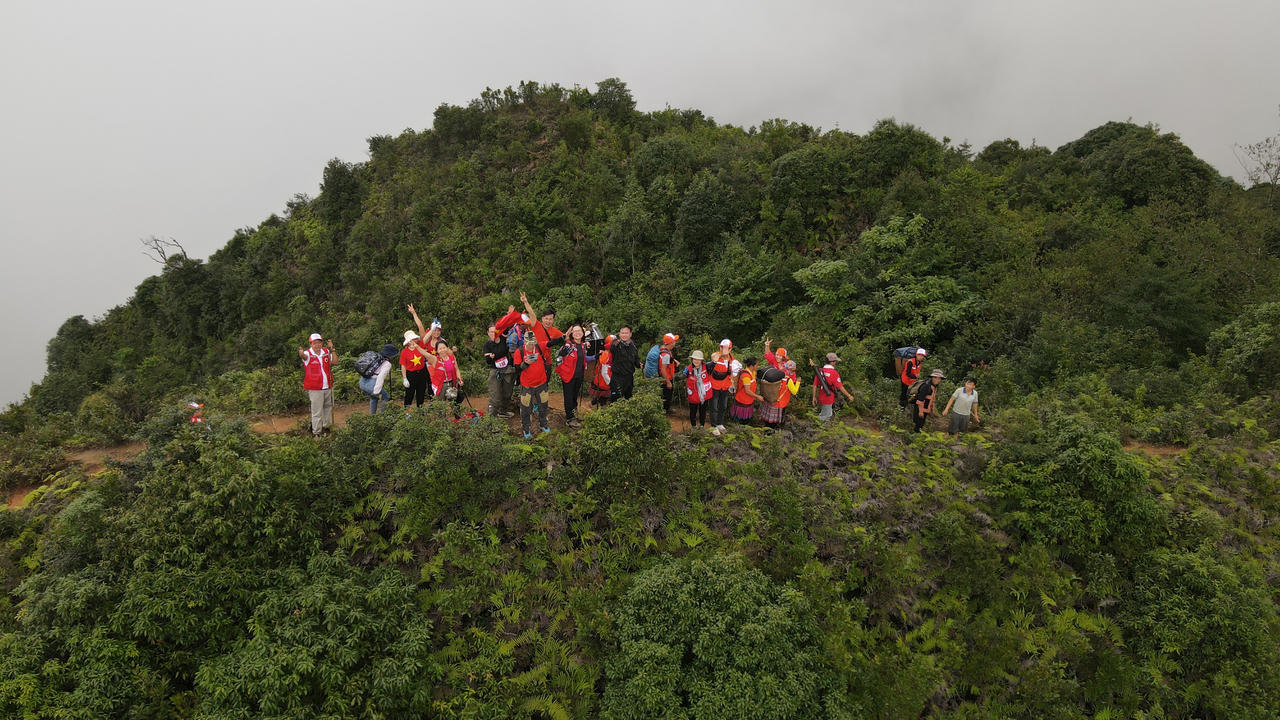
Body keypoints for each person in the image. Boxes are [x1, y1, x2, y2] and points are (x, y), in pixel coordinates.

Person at [513, 331, 551, 438]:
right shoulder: (519, 352)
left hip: (541, 384)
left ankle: (543, 425)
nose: (531, 345)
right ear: (524, 342)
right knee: (525, 408)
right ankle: (526, 429)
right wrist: (525, 363)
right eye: (529, 343)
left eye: (533, 342)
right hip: (527, 386)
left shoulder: (539, 347)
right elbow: (516, 368)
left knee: (543, 405)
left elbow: (550, 343)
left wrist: (563, 337)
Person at [298, 332, 335, 435]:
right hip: (315, 388)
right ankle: (316, 433)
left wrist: (332, 349)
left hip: (327, 385)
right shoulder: (308, 354)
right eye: (315, 343)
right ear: (311, 344)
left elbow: (335, 361)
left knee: (328, 408)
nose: (317, 345)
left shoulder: (325, 352)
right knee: (317, 411)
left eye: (319, 342)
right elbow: (304, 357)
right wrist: (301, 353)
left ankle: (327, 428)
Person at [556, 324, 590, 427]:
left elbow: (584, 358)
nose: (577, 333)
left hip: (578, 375)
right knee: (569, 397)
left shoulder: (583, 345)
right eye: (575, 331)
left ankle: (574, 414)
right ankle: (570, 418)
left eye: (579, 330)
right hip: (568, 376)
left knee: (574, 396)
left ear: (583, 333)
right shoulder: (569, 345)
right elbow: (560, 354)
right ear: (572, 334)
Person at [812, 352, 855, 421]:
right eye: (835, 361)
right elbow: (840, 387)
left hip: (821, 396)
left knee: (826, 413)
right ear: (832, 362)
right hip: (828, 397)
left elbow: (815, 385)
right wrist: (849, 396)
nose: (835, 363)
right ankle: (818, 429)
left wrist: (814, 397)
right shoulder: (834, 373)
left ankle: (820, 427)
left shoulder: (819, 371)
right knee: (826, 415)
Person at [483, 323, 513, 418]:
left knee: (507, 393)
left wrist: (509, 316)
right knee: (495, 395)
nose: (493, 333)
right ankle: (491, 418)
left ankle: (503, 411)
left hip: (507, 369)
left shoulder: (503, 339)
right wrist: (490, 357)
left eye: (495, 331)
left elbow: (507, 327)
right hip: (494, 370)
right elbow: (487, 361)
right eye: (491, 332)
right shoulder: (487, 345)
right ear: (487, 333)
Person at [358, 343, 398, 414]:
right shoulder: (387, 364)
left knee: (374, 398)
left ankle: (372, 415)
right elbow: (380, 377)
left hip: (362, 381)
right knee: (385, 396)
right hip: (371, 384)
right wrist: (376, 391)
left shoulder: (375, 357)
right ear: (391, 355)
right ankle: (381, 415)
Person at [399, 330, 434, 409]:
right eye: (413, 339)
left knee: (421, 392)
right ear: (408, 341)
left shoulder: (420, 345)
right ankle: (407, 411)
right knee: (409, 393)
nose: (415, 340)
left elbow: (426, 337)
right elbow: (403, 365)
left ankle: (420, 410)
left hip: (422, 372)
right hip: (411, 374)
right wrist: (404, 378)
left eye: (415, 338)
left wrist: (432, 329)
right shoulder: (404, 352)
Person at [761, 359, 801, 429]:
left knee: (767, 422)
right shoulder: (788, 380)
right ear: (792, 368)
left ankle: (765, 432)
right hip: (779, 403)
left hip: (770, 400)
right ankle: (771, 435)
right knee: (773, 423)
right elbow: (794, 392)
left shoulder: (777, 374)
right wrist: (798, 382)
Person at [707, 339, 735, 433]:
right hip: (715, 385)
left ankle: (720, 423)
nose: (723, 349)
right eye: (722, 347)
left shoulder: (732, 359)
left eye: (726, 348)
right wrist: (722, 354)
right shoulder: (716, 355)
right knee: (714, 407)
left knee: (723, 406)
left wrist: (732, 384)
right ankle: (713, 426)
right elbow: (713, 357)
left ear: (730, 349)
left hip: (725, 386)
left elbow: (732, 373)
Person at [610, 325, 641, 400]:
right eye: (622, 333)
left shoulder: (633, 346)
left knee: (628, 398)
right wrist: (616, 342)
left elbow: (636, 359)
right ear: (619, 334)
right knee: (616, 399)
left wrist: (639, 364)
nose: (624, 335)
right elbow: (612, 347)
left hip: (629, 377)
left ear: (630, 334)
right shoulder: (616, 345)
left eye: (626, 333)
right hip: (617, 378)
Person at [684, 349, 712, 428]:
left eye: (698, 359)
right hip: (693, 394)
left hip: (704, 395)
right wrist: (679, 377)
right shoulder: (688, 369)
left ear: (701, 360)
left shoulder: (706, 366)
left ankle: (702, 425)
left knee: (702, 411)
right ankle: (693, 426)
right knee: (693, 411)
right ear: (692, 359)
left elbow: (713, 363)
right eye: (694, 359)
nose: (696, 361)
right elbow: (683, 374)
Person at [731, 357, 762, 424]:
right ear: (751, 366)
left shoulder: (753, 372)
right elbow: (747, 390)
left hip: (748, 401)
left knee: (745, 421)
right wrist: (757, 396)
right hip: (742, 401)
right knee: (741, 421)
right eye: (756, 365)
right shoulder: (746, 376)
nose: (757, 366)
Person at [913, 369, 945, 433]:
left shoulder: (934, 386)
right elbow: (920, 400)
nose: (937, 380)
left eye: (939, 378)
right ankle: (915, 437)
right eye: (935, 378)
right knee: (918, 424)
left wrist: (932, 409)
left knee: (921, 424)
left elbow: (931, 398)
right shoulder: (926, 386)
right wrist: (921, 411)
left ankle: (917, 436)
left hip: (925, 408)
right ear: (932, 377)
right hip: (920, 409)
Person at [591, 335, 615, 408]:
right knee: (603, 399)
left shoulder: (605, 353)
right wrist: (610, 383)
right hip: (605, 381)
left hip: (600, 380)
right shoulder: (606, 355)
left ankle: (595, 403)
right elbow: (604, 372)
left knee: (598, 396)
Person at [659, 333, 679, 413]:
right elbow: (663, 369)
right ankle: (665, 412)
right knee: (667, 396)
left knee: (667, 396)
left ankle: (666, 409)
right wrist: (668, 382)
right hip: (666, 379)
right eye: (674, 341)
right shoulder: (666, 355)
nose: (675, 343)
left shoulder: (665, 350)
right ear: (671, 343)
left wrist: (674, 361)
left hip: (667, 378)